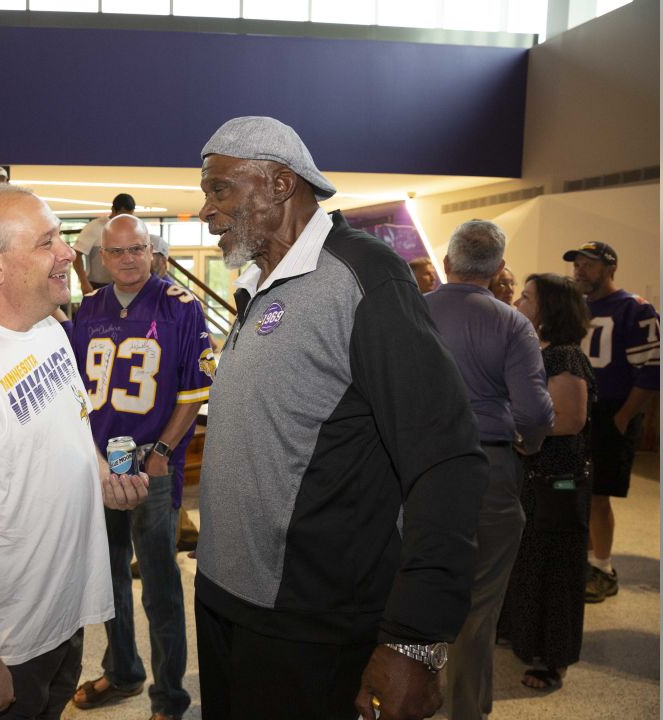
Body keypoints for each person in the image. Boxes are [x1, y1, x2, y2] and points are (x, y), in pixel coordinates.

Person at [193, 116, 488, 720]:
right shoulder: (263, 283)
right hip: (228, 605)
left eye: (219, 189)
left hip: (310, 624)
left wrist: (414, 640)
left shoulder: (365, 275)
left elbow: (447, 460)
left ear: (279, 185)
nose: (205, 210)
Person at [0, 184, 149, 719]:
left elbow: (71, 431)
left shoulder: (49, 328)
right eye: (47, 242)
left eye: (59, 237)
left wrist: (105, 477)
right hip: (1, 643)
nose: (68, 253)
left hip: (59, 617)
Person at [68, 215, 214, 720]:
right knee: (106, 579)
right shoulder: (87, 310)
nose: (128, 259)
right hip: (102, 462)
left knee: (160, 585)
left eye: (137, 249)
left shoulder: (181, 307)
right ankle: (124, 670)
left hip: (151, 458)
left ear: (151, 252)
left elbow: (193, 395)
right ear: (101, 259)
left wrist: (163, 454)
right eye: (117, 251)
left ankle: (169, 696)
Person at [424, 220, 554, 720]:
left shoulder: (413, 311)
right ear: (499, 269)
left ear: (448, 264)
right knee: (479, 605)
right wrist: (530, 444)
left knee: (418, 584)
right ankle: (465, 710)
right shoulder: (511, 323)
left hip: (420, 468)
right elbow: (536, 413)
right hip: (489, 466)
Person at [499, 272, 596, 693]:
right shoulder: (546, 351)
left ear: (548, 309)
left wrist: (515, 430)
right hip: (538, 475)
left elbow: (571, 419)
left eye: (528, 297)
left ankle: (551, 657)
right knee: (531, 560)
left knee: (556, 568)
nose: (519, 300)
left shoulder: (565, 357)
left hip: (558, 480)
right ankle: (525, 637)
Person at [565, 241, 660, 602]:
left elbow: (651, 371)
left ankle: (603, 567)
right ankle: (586, 561)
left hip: (612, 411)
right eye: (577, 265)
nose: (579, 271)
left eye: (588, 265)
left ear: (610, 268)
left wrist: (622, 418)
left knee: (599, 494)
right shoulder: (578, 308)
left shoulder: (633, 308)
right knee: (579, 492)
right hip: (581, 410)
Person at [72, 193, 136, 294]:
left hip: (121, 286)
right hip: (97, 286)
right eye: (122, 214)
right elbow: (76, 255)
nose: (125, 218)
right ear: (113, 210)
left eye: (129, 215)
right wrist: (84, 282)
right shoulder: (95, 227)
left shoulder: (130, 228)